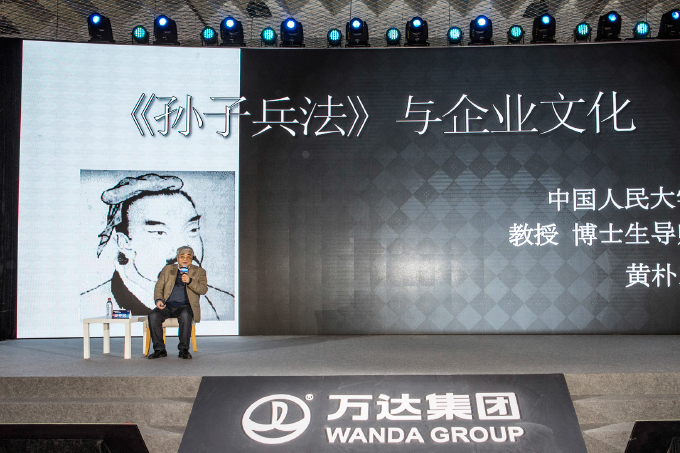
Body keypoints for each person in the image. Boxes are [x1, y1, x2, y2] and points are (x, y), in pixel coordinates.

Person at [80, 173, 234, 321]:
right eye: (160, 232)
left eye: (192, 230)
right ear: (124, 243)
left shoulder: (225, 303)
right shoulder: (89, 306)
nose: (184, 248)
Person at [148, 246, 206, 359]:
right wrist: (158, 300)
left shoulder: (199, 271)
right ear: (177, 257)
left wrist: (189, 281)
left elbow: (203, 290)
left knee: (185, 315)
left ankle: (183, 350)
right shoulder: (167, 269)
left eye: (188, 257)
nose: (185, 259)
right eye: (182, 256)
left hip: (185, 306)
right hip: (167, 305)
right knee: (153, 316)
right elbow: (159, 286)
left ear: (192, 258)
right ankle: (159, 350)